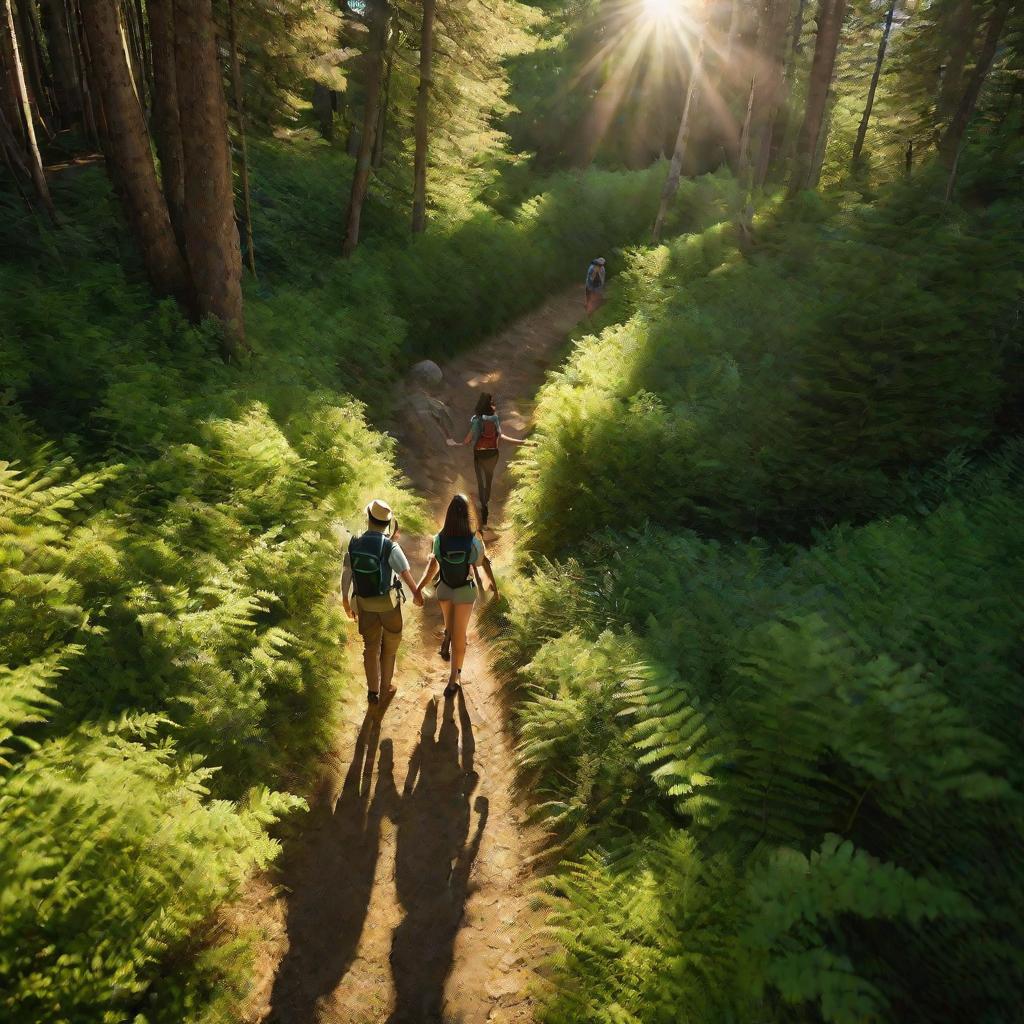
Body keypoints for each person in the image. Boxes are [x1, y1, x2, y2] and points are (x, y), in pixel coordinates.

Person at [342, 499, 423, 703]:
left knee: (370, 647)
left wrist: (345, 599)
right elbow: (404, 572)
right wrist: (417, 594)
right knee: (390, 646)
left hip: (364, 604)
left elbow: (347, 573)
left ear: (368, 517)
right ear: (387, 523)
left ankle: (372, 692)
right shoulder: (390, 546)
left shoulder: (355, 543)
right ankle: (386, 687)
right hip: (388, 605)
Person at [414, 494, 487, 698]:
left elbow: (433, 566)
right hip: (464, 590)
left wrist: (418, 588)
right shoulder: (472, 539)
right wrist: (479, 542)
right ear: (466, 516)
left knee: (451, 627)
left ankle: (449, 634)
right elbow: (478, 561)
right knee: (459, 634)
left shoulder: (439, 538)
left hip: (445, 589)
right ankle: (453, 679)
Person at [446, 392, 528, 528]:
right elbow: (501, 437)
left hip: (477, 457)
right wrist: (521, 442)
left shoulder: (476, 420)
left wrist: (456, 443)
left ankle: (480, 522)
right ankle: (484, 520)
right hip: (491, 458)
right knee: (485, 488)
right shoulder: (494, 420)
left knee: (477, 488)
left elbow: (467, 440)